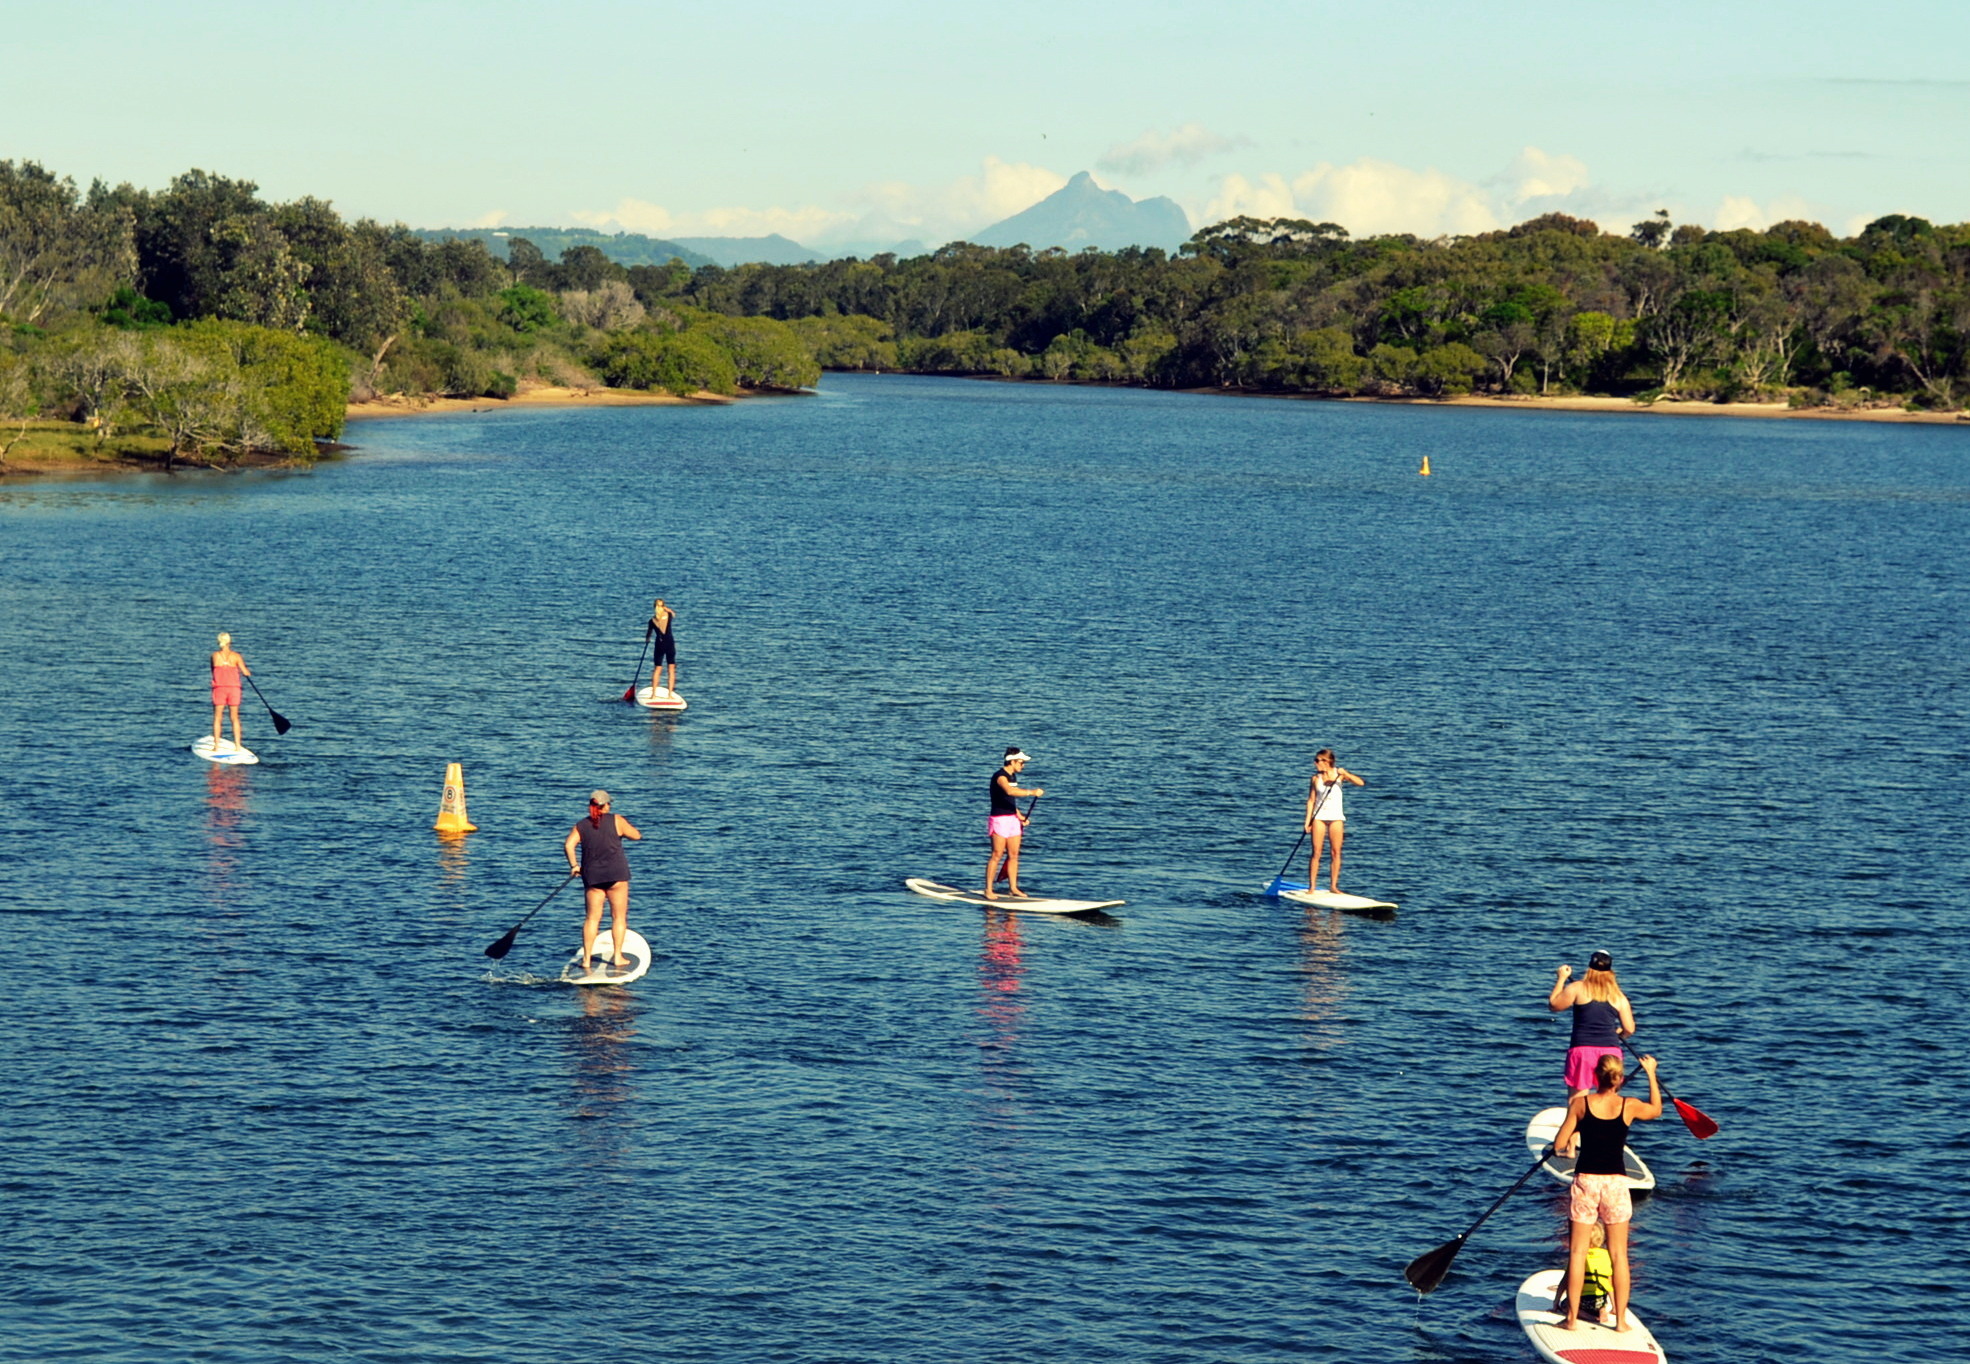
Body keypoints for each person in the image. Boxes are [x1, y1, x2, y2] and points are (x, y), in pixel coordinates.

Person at [1551, 1052, 1661, 1333]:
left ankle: (1571, 1319)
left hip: (1586, 1181)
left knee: (1577, 1253)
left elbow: (1559, 1143)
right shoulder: (1629, 1105)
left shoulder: (1580, 1104)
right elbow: (1656, 1110)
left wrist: (1571, 1134)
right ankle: (1620, 1322)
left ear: (1595, 1077)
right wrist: (1650, 1073)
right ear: (1619, 1079)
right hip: (1615, 1184)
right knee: (1619, 1255)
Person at [563, 789, 643, 971]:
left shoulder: (581, 825)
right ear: (605, 805)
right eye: (609, 803)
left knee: (592, 919)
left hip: (592, 877)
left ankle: (586, 960)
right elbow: (636, 836)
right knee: (618, 917)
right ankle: (618, 957)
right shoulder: (617, 820)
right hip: (617, 875)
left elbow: (568, 845)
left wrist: (574, 866)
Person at [1549, 950, 1637, 1098]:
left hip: (1583, 1050)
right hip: (1611, 1052)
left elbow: (1554, 1005)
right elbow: (1629, 1029)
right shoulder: (1619, 996)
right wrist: (1619, 1034)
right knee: (1608, 1099)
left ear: (1589, 968)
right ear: (1610, 972)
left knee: (1577, 1102)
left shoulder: (1577, 987)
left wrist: (1561, 978)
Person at [985, 748, 1043, 900]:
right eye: (1021, 762)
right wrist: (1031, 792)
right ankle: (988, 890)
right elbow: (1009, 792)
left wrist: (1020, 816)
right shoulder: (1000, 776)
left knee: (1013, 855)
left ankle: (1013, 888)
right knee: (997, 854)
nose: (1023, 765)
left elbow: (1009, 801)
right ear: (1012, 761)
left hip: (1012, 819)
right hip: (999, 819)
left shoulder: (1012, 776)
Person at [1303, 749, 1364, 892]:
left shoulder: (1339, 775)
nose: (1316, 763)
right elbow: (1311, 801)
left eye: (1319, 760)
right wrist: (1307, 821)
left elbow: (1360, 783)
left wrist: (1346, 773)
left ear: (1328, 761)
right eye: (1316, 760)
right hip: (1319, 818)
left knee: (1335, 852)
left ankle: (1333, 886)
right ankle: (1312, 887)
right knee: (1316, 852)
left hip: (1336, 817)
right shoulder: (1315, 778)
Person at [1550, 1221, 1614, 1324]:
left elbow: (1565, 1281)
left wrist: (1555, 1303)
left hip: (1583, 1301)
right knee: (1598, 1301)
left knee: (1566, 1305)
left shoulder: (1578, 1257)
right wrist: (1614, 1306)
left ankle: (1590, 1317)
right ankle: (1602, 1309)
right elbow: (1609, 1283)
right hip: (1600, 1300)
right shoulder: (1606, 1255)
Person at [210, 632, 251, 751]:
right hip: (234, 689)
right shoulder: (236, 656)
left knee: (218, 718)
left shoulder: (214, 656)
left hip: (219, 688)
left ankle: (216, 746)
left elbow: (213, 670)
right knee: (234, 718)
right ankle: (237, 746)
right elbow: (245, 672)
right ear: (229, 642)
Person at [646, 598, 677, 698]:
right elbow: (673, 613)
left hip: (659, 644)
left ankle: (653, 695)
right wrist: (666, 608)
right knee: (671, 669)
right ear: (663, 606)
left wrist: (647, 640)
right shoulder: (668, 615)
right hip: (669, 644)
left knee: (657, 669)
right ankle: (670, 695)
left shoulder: (652, 621)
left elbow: (648, 635)